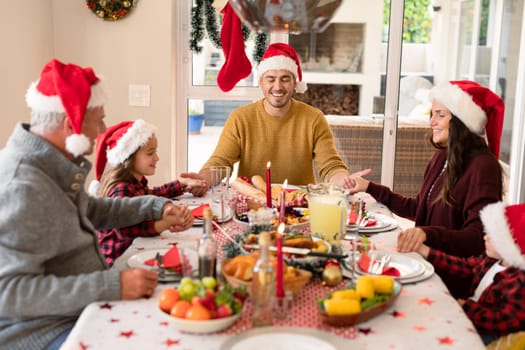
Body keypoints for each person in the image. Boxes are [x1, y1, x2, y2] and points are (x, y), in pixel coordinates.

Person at [0, 59, 192, 350]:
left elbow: (94, 210)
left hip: (75, 311)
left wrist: (156, 206)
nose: (102, 129)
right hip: (44, 332)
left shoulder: (50, 163)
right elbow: (10, 293)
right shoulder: (23, 186)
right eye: (98, 119)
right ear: (70, 125)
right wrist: (112, 286)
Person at [347, 80, 504, 298]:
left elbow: (477, 237)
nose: (431, 122)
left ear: (461, 120)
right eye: (432, 114)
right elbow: (419, 208)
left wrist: (426, 234)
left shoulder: (483, 167)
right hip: (425, 263)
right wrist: (369, 187)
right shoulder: (443, 156)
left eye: (440, 114)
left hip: (450, 280)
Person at [199, 42, 353, 188]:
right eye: (270, 79)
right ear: (261, 83)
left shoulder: (314, 118)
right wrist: (203, 180)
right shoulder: (240, 118)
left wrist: (344, 181)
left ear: (294, 83)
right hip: (252, 203)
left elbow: (330, 165)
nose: (278, 87)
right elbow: (221, 161)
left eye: (285, 79)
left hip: (299, 205)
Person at [91, 119, 208, 266]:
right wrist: (164, 224)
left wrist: (180, 184)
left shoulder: (136, 181)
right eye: (150, 153)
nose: (157, 157)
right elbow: (126, 229)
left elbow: (151, 196)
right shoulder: (121, 188)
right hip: (117, 262)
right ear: (129, 157)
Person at [414, 201, 525, 345]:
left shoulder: (520, 282)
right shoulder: (491, 261)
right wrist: (426, 251)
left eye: (494, 236)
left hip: (486, 337)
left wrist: (465, 306)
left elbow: (504, 321)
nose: (485, 237)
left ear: (511, 245)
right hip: (468, 319)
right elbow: (463, 266)